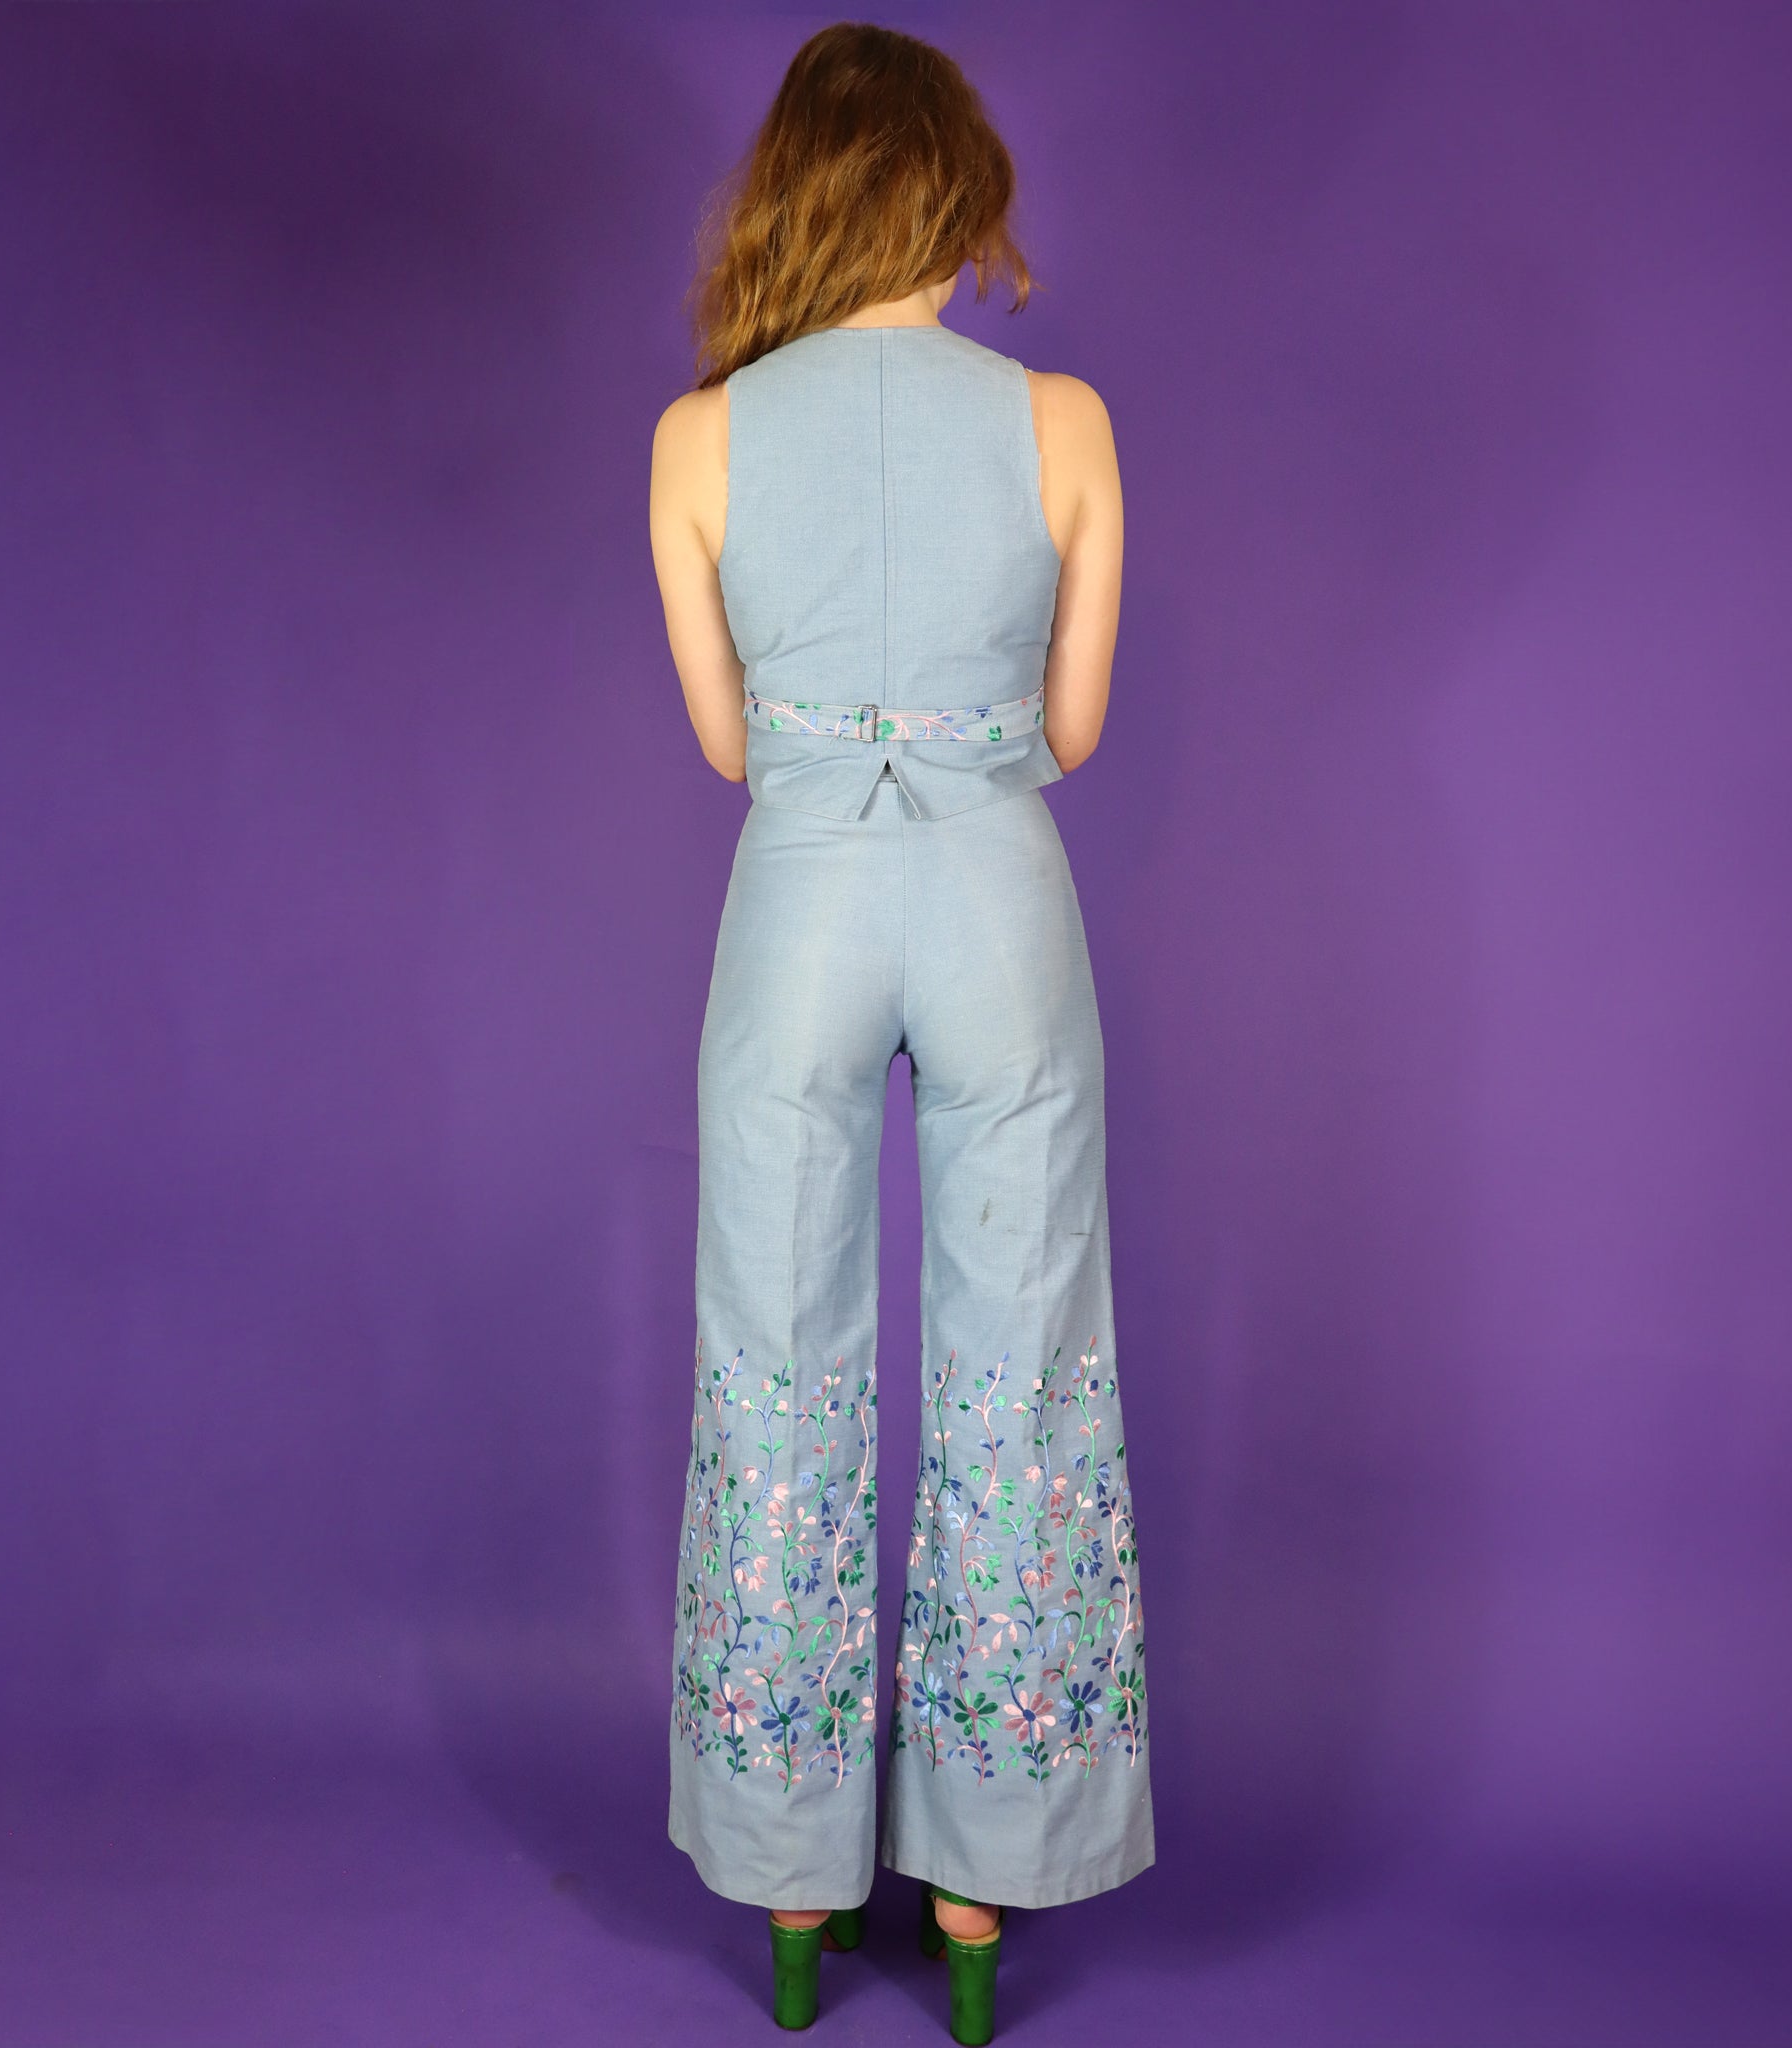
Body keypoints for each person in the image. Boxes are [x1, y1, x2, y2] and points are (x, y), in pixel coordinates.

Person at [648, 23, 1153, 2040]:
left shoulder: (697, 440)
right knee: (1022, 1358)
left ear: (791, 194)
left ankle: (790, 1887)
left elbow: (725, 744)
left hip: (801, 899)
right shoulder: (1064, 420)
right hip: (995, 891)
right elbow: (1076, 726)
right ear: (954, 199)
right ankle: (977, 1894)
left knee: (774, 1352)